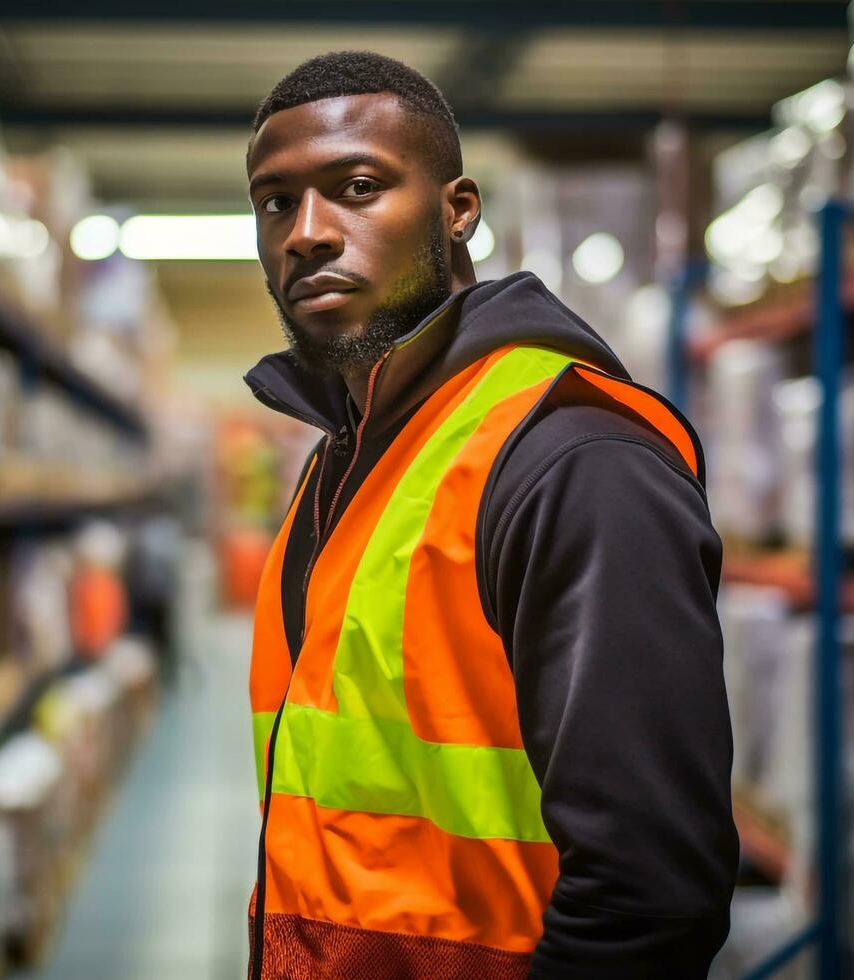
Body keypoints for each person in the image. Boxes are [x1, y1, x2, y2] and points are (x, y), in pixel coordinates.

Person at [242, 51, 736, 979]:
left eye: (355, 187)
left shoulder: (572, 461)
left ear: (457, 209)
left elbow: (651, 891)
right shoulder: (341, 464)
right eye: (276, 203)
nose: (306, 233)